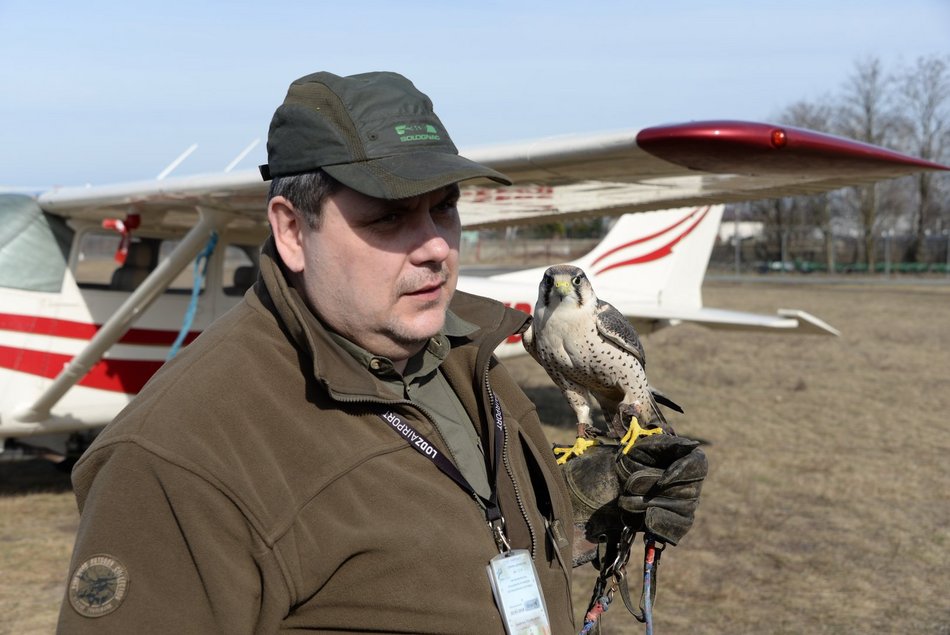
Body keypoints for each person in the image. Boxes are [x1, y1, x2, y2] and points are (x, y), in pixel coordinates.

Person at [58, 71, 705, 633]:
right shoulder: (180, 459)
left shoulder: (468, 354)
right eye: (389, 217)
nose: (434, 246)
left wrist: (595, 505)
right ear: (290, 229)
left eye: (444, 208)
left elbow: (455, 530)